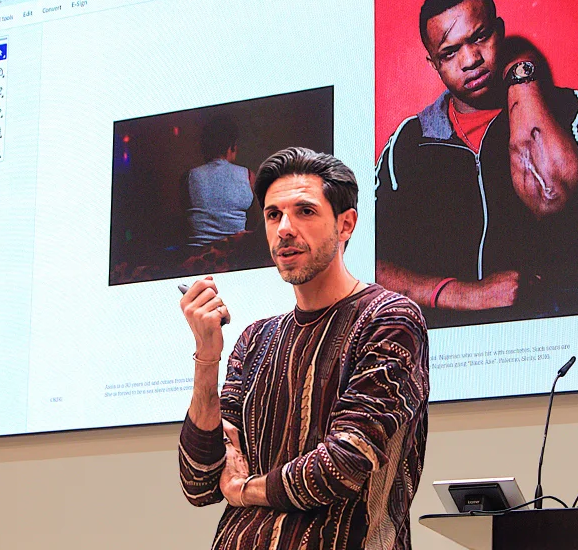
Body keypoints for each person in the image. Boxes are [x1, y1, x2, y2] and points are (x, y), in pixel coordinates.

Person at [178, 147, 430, 550]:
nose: (284, 229)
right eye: (273, 214)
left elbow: (343, 465)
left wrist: (246, 490)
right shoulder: (255, 340)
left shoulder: (388, 320)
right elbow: (199, 483)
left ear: (346, 224)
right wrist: (207, 356)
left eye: (305, 212)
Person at [375, 0, 578, 329]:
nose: (470, 60)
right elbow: (360, 260)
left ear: (500, 31)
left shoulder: (570, 108)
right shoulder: (409, 141)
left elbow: (553, 196)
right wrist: (465, 294)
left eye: (480, 37)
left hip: (556, 342)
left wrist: (522, 78)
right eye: (449, 53)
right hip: (446, 358)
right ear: (433, 64)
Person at [187, 116, 255, 246]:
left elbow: (186, 219)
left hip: (197, 254)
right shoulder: (248, 176)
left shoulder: (189, 177)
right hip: (234, 252)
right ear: (232, 147)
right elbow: (256, 221)